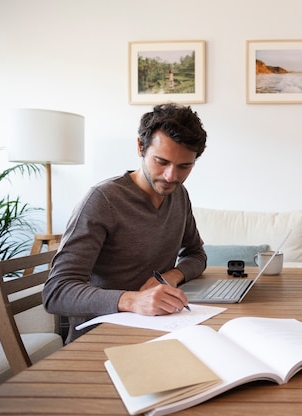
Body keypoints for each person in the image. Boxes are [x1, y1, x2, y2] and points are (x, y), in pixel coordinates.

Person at [43, 103, 208, 343]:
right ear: (141, 147)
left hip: (160, 327)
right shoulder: (102, 200)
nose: (171, 176)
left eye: (184, 166)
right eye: (161, 162)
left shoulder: (179, 195)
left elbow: (197, 255)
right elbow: (56, 292)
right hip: (102, 336)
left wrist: (172, 276)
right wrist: (131, 300)